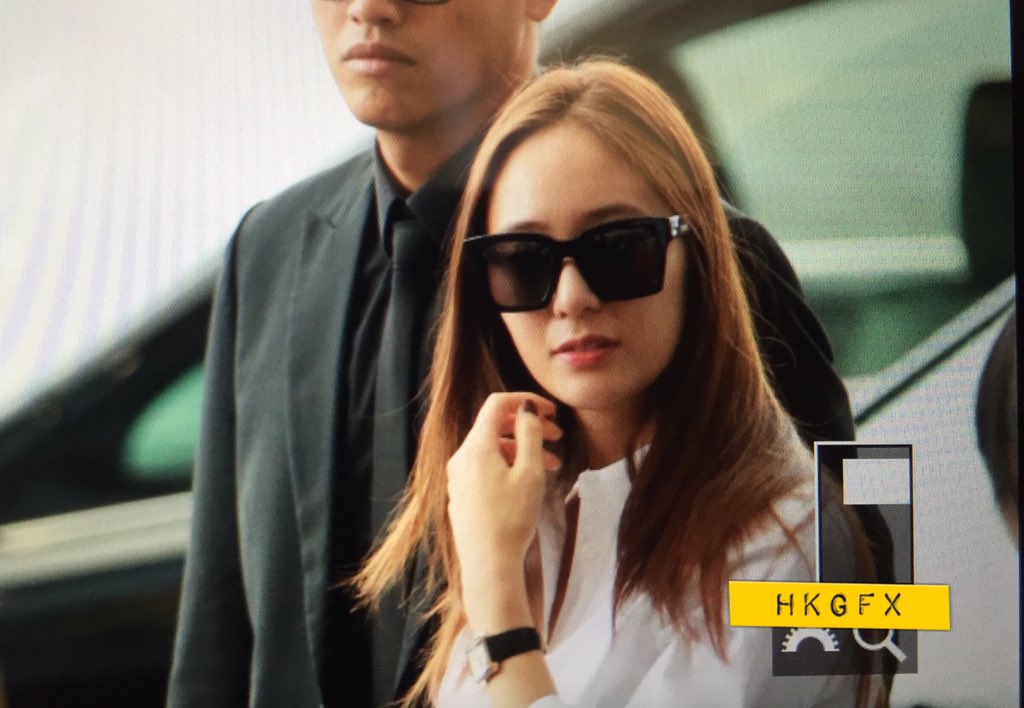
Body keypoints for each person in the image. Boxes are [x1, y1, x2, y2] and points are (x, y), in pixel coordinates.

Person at [167, 3, 880, 707]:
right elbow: (217, 639)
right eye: (522, 262)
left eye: (612, 249)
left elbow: (868, 613)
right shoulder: (268, 247)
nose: (371, 7)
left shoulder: (699, 256)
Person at [355, 59, 885, 708]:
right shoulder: (513, 505)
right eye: (524, 262)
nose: (572, 298)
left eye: (619, 249)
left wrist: (497, 608)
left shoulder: (792, 541)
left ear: (698, 256)